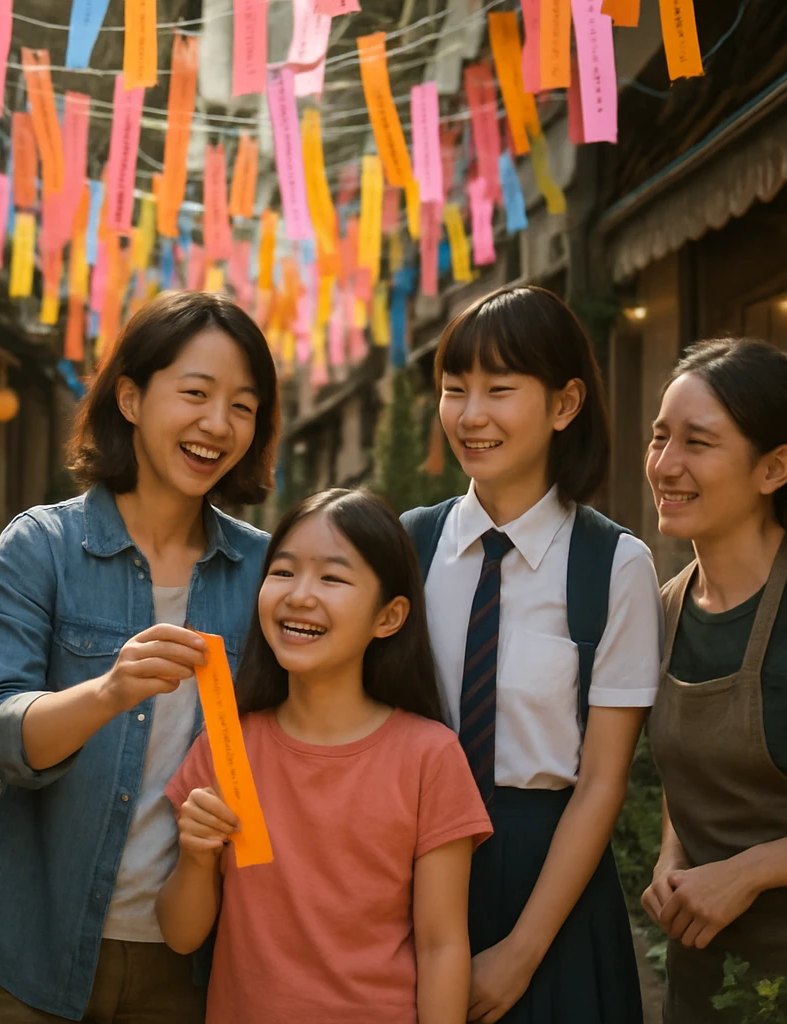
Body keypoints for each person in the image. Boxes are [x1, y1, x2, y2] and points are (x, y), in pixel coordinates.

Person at [0, 291, 280, 1023]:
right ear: (129, 398)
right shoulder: (43, 546)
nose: (216, 425)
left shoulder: (266, 573)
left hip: (187, 963)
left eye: (242, 406)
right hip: (25, 950)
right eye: (195, 394)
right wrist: (107, 691)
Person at [402, 286, 663, 1024]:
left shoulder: (614, 566)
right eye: (456, 390)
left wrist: (521, 952)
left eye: (500, 389)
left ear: (564, 403)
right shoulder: (407, 548)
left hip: (552, 888)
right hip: (414, 871)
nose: (471, 415)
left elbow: (603, 783)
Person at [157, 488, 493, 1024]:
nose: (299, 596)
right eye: (284, 572)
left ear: (390, 616)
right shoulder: (228, 746)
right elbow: (180, 935)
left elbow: (442, 947)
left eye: (332, 578)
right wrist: (197, 858)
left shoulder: (429, 757)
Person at [640, 339, 787, 1022]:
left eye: (697, 443)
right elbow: (685, 772)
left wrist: (749, 871)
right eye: (660, 438)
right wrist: (673, 854)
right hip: (704, 983)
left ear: (774, 468)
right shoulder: (661, 609)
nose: (666, 466)